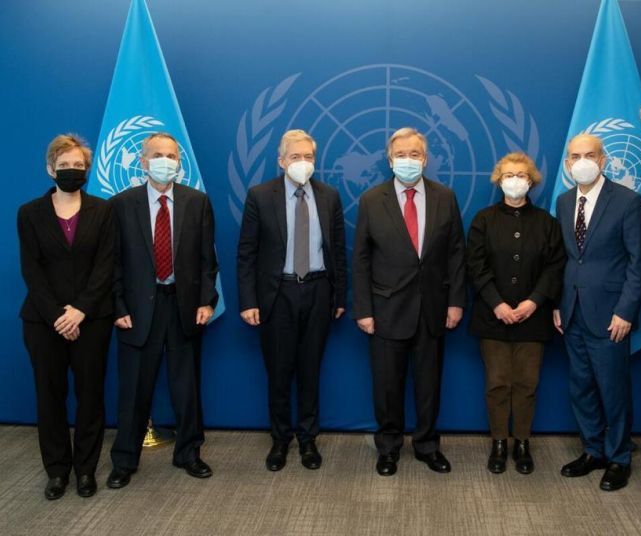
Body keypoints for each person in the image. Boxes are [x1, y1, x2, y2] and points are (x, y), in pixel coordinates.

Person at [106, 132, 219, 489]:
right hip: (138, 309)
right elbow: (112, 264)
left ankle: (189, 453)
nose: (165, 160)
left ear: (179, 163)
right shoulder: (121, 204)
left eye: (171, 155)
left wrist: (206, 300)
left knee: (186, 387)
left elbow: (207, 261)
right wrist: (117, 305)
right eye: (157, 154)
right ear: (143, 161)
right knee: (134, 390)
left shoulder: (197, 201)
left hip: (183, 305)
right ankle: (124, 460)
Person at [353, 127, 466, 476]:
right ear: (389, 160)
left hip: (433, 309)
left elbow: (456, 254)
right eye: (400, 154)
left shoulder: (445, 196)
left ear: (425, 159)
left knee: (429, 383)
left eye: (414, 154)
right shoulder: (372, 200)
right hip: (386, 310)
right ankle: (388, 447)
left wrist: (456, 302)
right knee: (387, 385)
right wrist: (364, 310)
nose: (407, 160)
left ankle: (427, 445)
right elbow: (361, 259)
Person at [237, 130, 347, 471]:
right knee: (280, 372)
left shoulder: (329, 196)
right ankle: (280, 440)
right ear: (281, 161)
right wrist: (248, 300)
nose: (303, 164)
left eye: (309, 158)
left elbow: (339, 252)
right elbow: (247, 253)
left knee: (310, 370)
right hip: (277, 294)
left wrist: (339, 295)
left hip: (318, 291)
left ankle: (308, 439)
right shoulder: (260, 195)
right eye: (296, 157)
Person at [18, 134, 116, 500]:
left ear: (87, 170)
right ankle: (57, 471)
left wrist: (80, 310)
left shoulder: (103, 211)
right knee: (50, 396)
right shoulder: (29, 213)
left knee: (91, 396)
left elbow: (106, 266)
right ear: (50, 169)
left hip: (92, 319)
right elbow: (32, 270)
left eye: (79, 166)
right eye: (65, 166)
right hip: (44, 322)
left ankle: (85, 470)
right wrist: (59, 315)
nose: (72, 171)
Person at [554, 133, 641, 492]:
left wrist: (626, 311)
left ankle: (619, 457)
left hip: (611, 315)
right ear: (567, 164)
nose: (582, 161)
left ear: (604, 160)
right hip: (573, 312)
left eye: (589, 154)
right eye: (575, 156)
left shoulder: (626, 201)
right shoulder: (563, 202)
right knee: (581, 387)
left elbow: (638, 262)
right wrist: (560, 305)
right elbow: (565, 259)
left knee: (613, 389)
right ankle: (593, 451)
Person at [466, 152, 564, 474]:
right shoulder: (483, 220)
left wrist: (534, 301)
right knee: (497, 383)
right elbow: (476, 267)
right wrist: (498, 304)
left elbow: (554, 267)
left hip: (532, 317)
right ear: (498, 180)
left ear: (531, 180)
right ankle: (498, 442)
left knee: (526, 383)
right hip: (492, 316)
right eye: (508, 175)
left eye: (521, 175)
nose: (515, 181)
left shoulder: (547, 223)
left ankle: (522, 442)